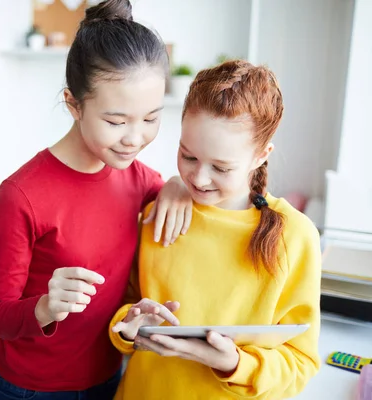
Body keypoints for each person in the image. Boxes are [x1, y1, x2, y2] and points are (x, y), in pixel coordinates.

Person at [0, 1, 192, 399]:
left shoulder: (141, 179)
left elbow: (164, 190)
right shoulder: (21, 195)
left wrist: (177, 183)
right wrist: (44, 306)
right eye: (115, 121)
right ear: (73, 104)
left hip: (107, 382)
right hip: (26, 390)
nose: (134, 137)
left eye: (150, 118)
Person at [110, 59, 322, 399]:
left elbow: (300, 363)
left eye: (221, 167)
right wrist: (129, 327)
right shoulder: (158, 214)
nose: (199, 178)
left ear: (261, 155)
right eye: (188, 157)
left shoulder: (295, 236)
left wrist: (235, 364)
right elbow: (123, 310)